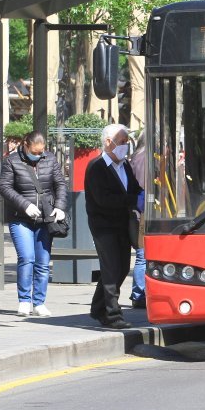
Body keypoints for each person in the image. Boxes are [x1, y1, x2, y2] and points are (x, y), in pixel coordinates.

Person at [0, 131, 67, 317]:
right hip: (20, 217)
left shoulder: (50, 159)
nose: (38, 156)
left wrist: (60, 206)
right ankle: (24, 301)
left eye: (41, 152)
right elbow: (5, 187)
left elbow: (60, 184)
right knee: (27, 257)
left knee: (43, 262)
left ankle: (39, 302)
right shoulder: (11, 161)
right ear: (26, 145)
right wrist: (25, 205)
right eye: (35, 152)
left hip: (45, 217)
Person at [85, 124, 143, 329]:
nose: (125, 146)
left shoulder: (125, 166)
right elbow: (103, 199)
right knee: (111, 268)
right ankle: (112, 314)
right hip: (103, 225)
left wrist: (141, 196)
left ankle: (98, 307)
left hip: (122, 223)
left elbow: (134, 188)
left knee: (121, 267)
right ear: (108, 142)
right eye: (122, 142)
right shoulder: (97, 167)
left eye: (127, 142)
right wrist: (132, 200)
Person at [129, 131, 146, 309]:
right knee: (142, 255)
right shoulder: (145, 159)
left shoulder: (135, 157)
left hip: (137, 212)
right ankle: (139, 293)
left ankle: (139, 293)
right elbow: (143, 188)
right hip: (142, 214)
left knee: (142, 255)